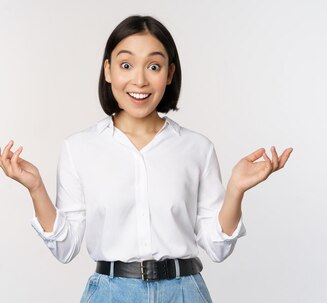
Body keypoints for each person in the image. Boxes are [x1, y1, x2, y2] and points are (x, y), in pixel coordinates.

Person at [0, 15, 292, 303]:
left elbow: (217, 248)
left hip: (184, 292)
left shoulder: (196, 148)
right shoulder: (79, 148)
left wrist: (235, 191)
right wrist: (36, 187)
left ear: (169, 73)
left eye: (154, 66)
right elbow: (65, 249)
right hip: (110, 294)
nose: (139, 80)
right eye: (126, 65)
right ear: (108, 70)